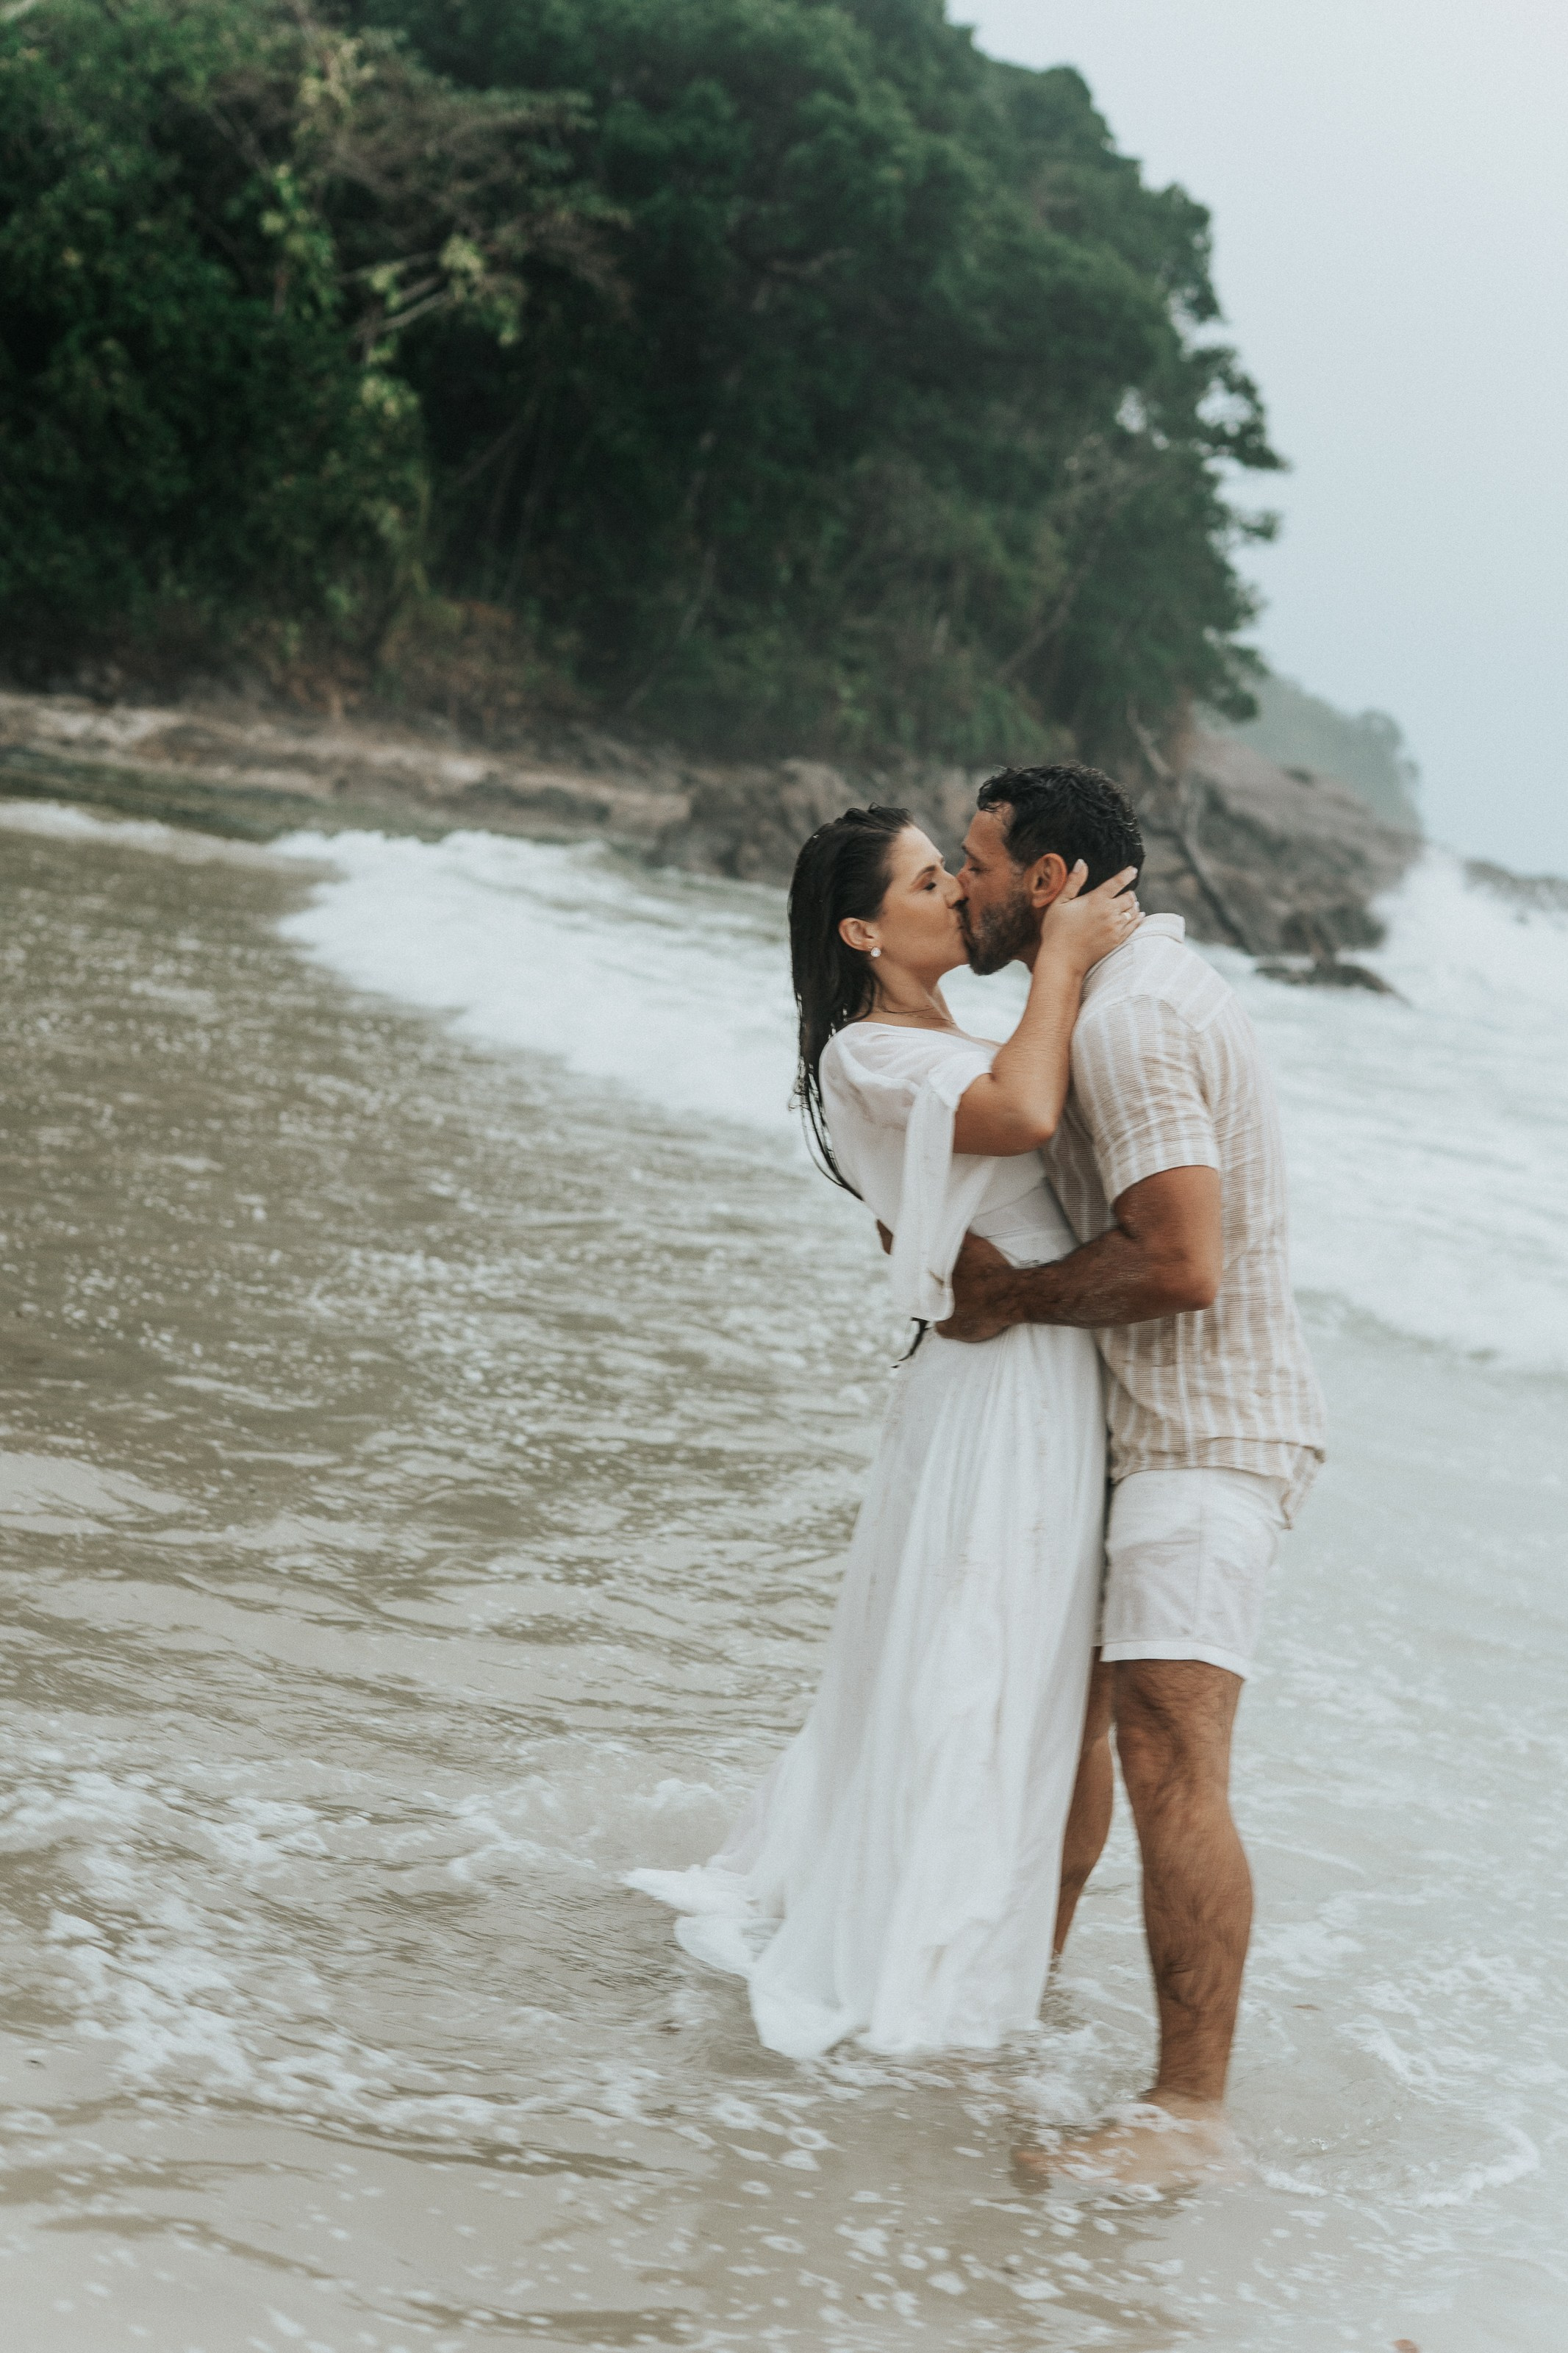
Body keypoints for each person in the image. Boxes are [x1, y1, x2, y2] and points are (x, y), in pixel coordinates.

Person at [626, 804, 1142, 2060]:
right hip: (1000, 1387)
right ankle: (936, 1955)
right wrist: (1063, 954)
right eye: (930, 880)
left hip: (1027, 1369)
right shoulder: (870, 1053)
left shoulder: (932, 1035)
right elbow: (1021, 1117)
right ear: (864, 929)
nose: (959, 895)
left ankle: (1001, 1941)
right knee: (979, 1657)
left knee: (1009, 1663)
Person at [943, 761, 1328, 2185]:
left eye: (977, 863)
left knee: (1169, 1748)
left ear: (1044, 882)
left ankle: (1188, 2112)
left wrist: (1009, 1299)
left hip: (1208, 1435)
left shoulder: (1132, 1020)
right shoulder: (1106, 1002)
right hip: (1142, 1433)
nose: (963, 889)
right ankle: (1009, 2012)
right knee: (1082, 1747)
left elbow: (1181, 1260)